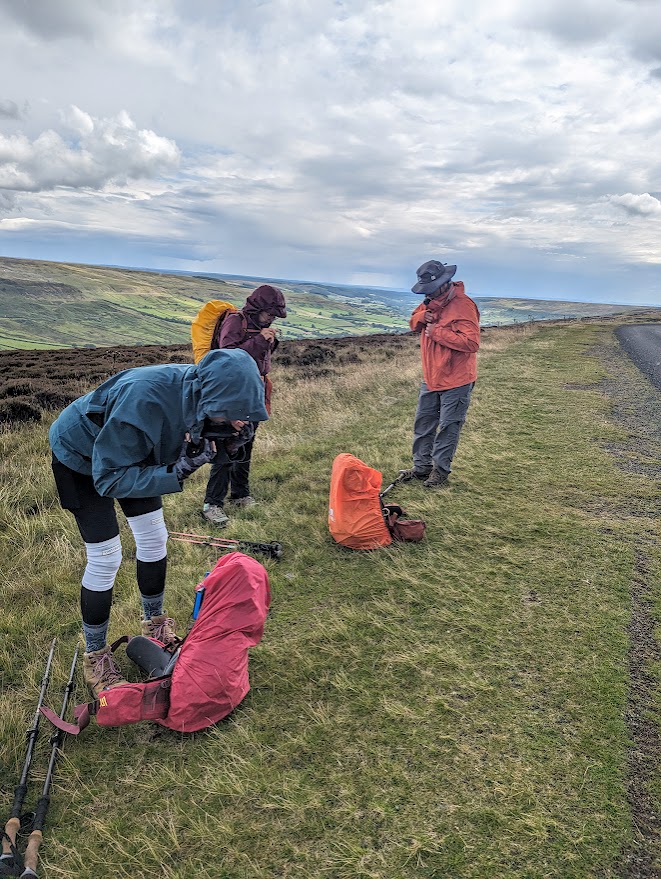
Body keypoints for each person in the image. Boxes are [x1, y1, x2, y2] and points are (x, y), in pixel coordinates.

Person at [49, 348, 268, 697]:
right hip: (81, 457)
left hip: (133, 454)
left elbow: (189, 432)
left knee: (154, 539)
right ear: (216, 399)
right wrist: (178, 469)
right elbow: (107, 479)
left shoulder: (204, 394)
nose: (242, 422)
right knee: (106, 556)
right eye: (237, 415)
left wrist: (227, 440)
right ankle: (96, 656)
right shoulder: (144, 401)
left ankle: (155, 625)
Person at [202, 284, 287, 526]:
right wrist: (260, 341)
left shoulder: (260, 326)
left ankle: (240, 494)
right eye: (269, 313)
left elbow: (258, 357)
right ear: (258, 307)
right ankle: (212, 504)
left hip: (254, 392)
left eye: (274, 315)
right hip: (233, 394)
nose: (271, 318)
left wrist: (268, 341)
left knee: (246, 444)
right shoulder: (234, 322)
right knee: (227, 445)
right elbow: (227, 358)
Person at [401, 259, 480, 489]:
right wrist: (419, 318)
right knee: (424, 423)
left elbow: (471, 342)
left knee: (448, 426)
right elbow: (413, 323)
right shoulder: (428, 302)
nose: (427, 295)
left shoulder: (464, 305)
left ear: (445, 284)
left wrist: (437, 332)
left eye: (431, 290)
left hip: (457, 379)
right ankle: (421, 467)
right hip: (431, 376)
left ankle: (439, 472)